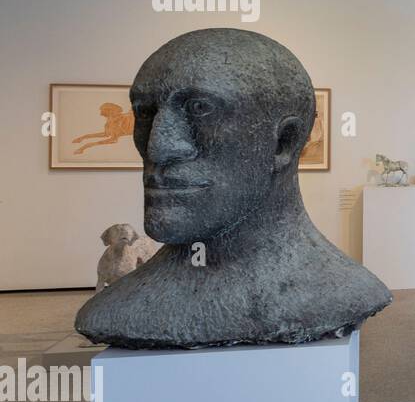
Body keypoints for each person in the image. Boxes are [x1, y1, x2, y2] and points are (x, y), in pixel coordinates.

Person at [76, 28, 391, 348]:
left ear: (284, 141)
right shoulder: (117, 310)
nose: (158, 147)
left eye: (200, 108)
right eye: (145, 112)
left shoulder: (342, 293)